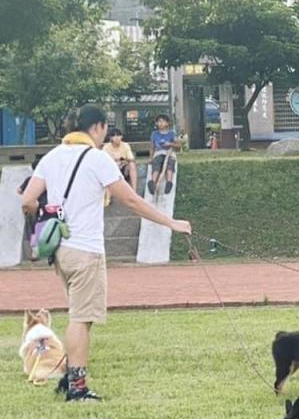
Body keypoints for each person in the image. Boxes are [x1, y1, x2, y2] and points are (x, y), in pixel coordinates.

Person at [20, 105, 192, 401]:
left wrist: (51, 216)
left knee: (78, 313)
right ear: (97, 127)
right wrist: (171, 223)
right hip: (86, 249)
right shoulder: (97, 158)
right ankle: (77, 387)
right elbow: (131, 201)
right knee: (82, 318)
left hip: (59, 249)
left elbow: (27, 200)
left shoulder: (52, 156)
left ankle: (70, 377)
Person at [147, 114, 181, 196]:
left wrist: (170, 144)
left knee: (170, 163)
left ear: (167, 123)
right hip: (158, 152)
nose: (161, 123)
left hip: (169, 152)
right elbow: (152, 147)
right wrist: (151, 158)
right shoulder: (154, 134)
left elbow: (178, 146)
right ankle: (153, 182)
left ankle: (169, 182)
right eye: (159, 122)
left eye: (163, 121)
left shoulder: (171, 133)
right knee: (156, 162)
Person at [104, 127, 138, 193]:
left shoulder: (125, 145)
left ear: (121, 137)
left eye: (118, 135)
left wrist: (121, 159)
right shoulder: (106, 147)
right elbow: (104, 161)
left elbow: (131, 159)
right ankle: (107, 194)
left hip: (123, 167)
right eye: (113, 136)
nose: (116, 138)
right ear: (110, 138)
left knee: (132, 165)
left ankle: (134, 191)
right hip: (111, 169)